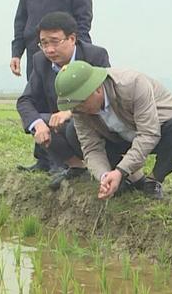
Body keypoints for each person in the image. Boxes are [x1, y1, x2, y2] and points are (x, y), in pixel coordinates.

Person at [54, 61, 172, 200]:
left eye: (82, 103)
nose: (79, 109)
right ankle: (130, 179)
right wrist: (104, 176)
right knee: (72, 131)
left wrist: (121, 170)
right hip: (118, 137)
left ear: (97, 89)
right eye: (75, 106)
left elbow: (148, 133)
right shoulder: (79, 110)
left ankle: (153, 180)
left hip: (155, 131)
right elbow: (91, 148)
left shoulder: (133, 84)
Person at [15, 12, 109, 185]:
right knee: (42, 121)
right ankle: (76, 167)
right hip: (62, 127)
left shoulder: (95, 56)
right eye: (44, 43)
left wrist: (69, 111)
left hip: (95, 124)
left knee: (74, 125)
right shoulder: (41, 61)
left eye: (55, 42)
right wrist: (37, 124)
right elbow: (25, 101)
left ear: (72, 39)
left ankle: (107, 166)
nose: (49, 49)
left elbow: (106, 97)